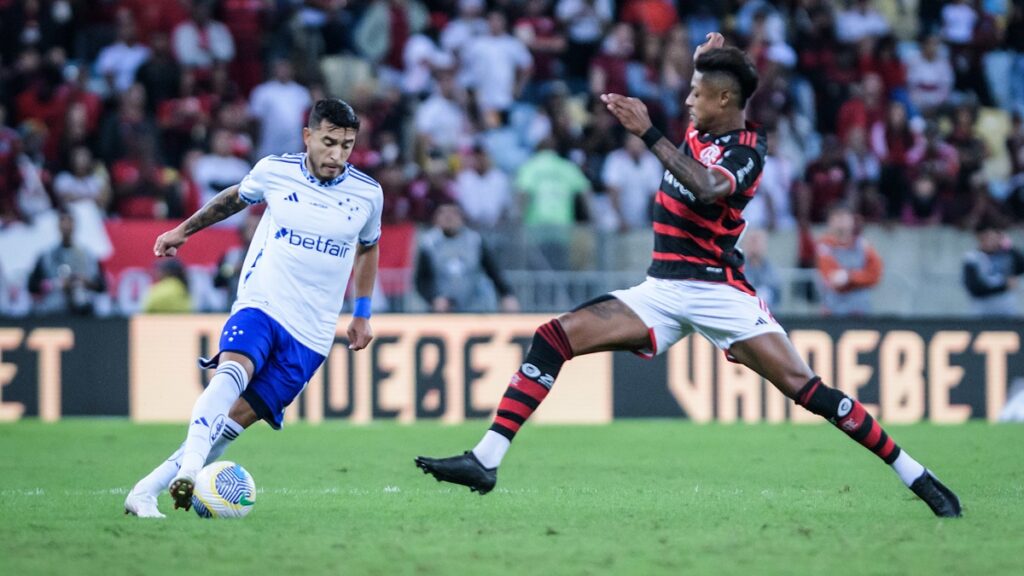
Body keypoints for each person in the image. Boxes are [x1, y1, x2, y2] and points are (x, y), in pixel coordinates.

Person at [415, 34, 961, 518]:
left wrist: (646, 131)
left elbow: (706, 186)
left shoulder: (749, 150)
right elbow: (694, 132)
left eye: (698, 94)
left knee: (806, 388)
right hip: (660, 288)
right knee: (552, 337)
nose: (688, 101)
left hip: (718, 290)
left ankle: (915, 474)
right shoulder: (702, 126)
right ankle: (486, 459)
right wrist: (706, 59)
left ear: (725, 102)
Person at [124, 100, 383, 518]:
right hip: (262, 303)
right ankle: (189, 469)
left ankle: (143, 492)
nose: (337, 155)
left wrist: (363, 311)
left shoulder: (368, 194)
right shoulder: (275, 171)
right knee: (231, 372)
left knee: (232, 425)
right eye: (330, 142)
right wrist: (182, 231)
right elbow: (233, 199)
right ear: (308, 136)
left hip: (311, 334)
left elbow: (368, 249)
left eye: (348, 146)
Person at [415, 202, 520, 313]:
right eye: (443, 212)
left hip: (473, 307)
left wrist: (507, 294)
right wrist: (433, 298)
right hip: (442, 310)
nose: (448, 217)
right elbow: (421, 280)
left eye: (453, 213)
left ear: (461, 217)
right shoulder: (429, 244)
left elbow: (493, 271)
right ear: (436, 218)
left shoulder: (474, 241)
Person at [28, 210, 107, 316]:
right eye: (62, 221)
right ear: (58, 225)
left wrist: (86, 283)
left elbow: (102, 286)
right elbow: (32, 286)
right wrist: (56, 284)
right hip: (53, 312)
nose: (66, 225)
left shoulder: (89, 255)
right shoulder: (46, 255)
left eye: (69, 221)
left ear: (75, 224)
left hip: (83, 311)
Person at [815, 203, 883, 316]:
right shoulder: (824, 246)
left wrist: (850, 277)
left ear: (852, 220)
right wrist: (860, 278)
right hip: (833, 311)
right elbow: (833, 278)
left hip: (860, 311)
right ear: (829, 222)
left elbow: (875, 275)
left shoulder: (863, 246)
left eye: (844, 217)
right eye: (836, 217)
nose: (841, 222)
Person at [962, 220, 1024, 317]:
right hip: (983, 312)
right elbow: (975, 288)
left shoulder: (1008, 255)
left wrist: (1009, 247)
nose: (990, 240)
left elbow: (1021, 267)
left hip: (1007, 311)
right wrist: (1004, 286)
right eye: (986, 237)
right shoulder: (972, 258)